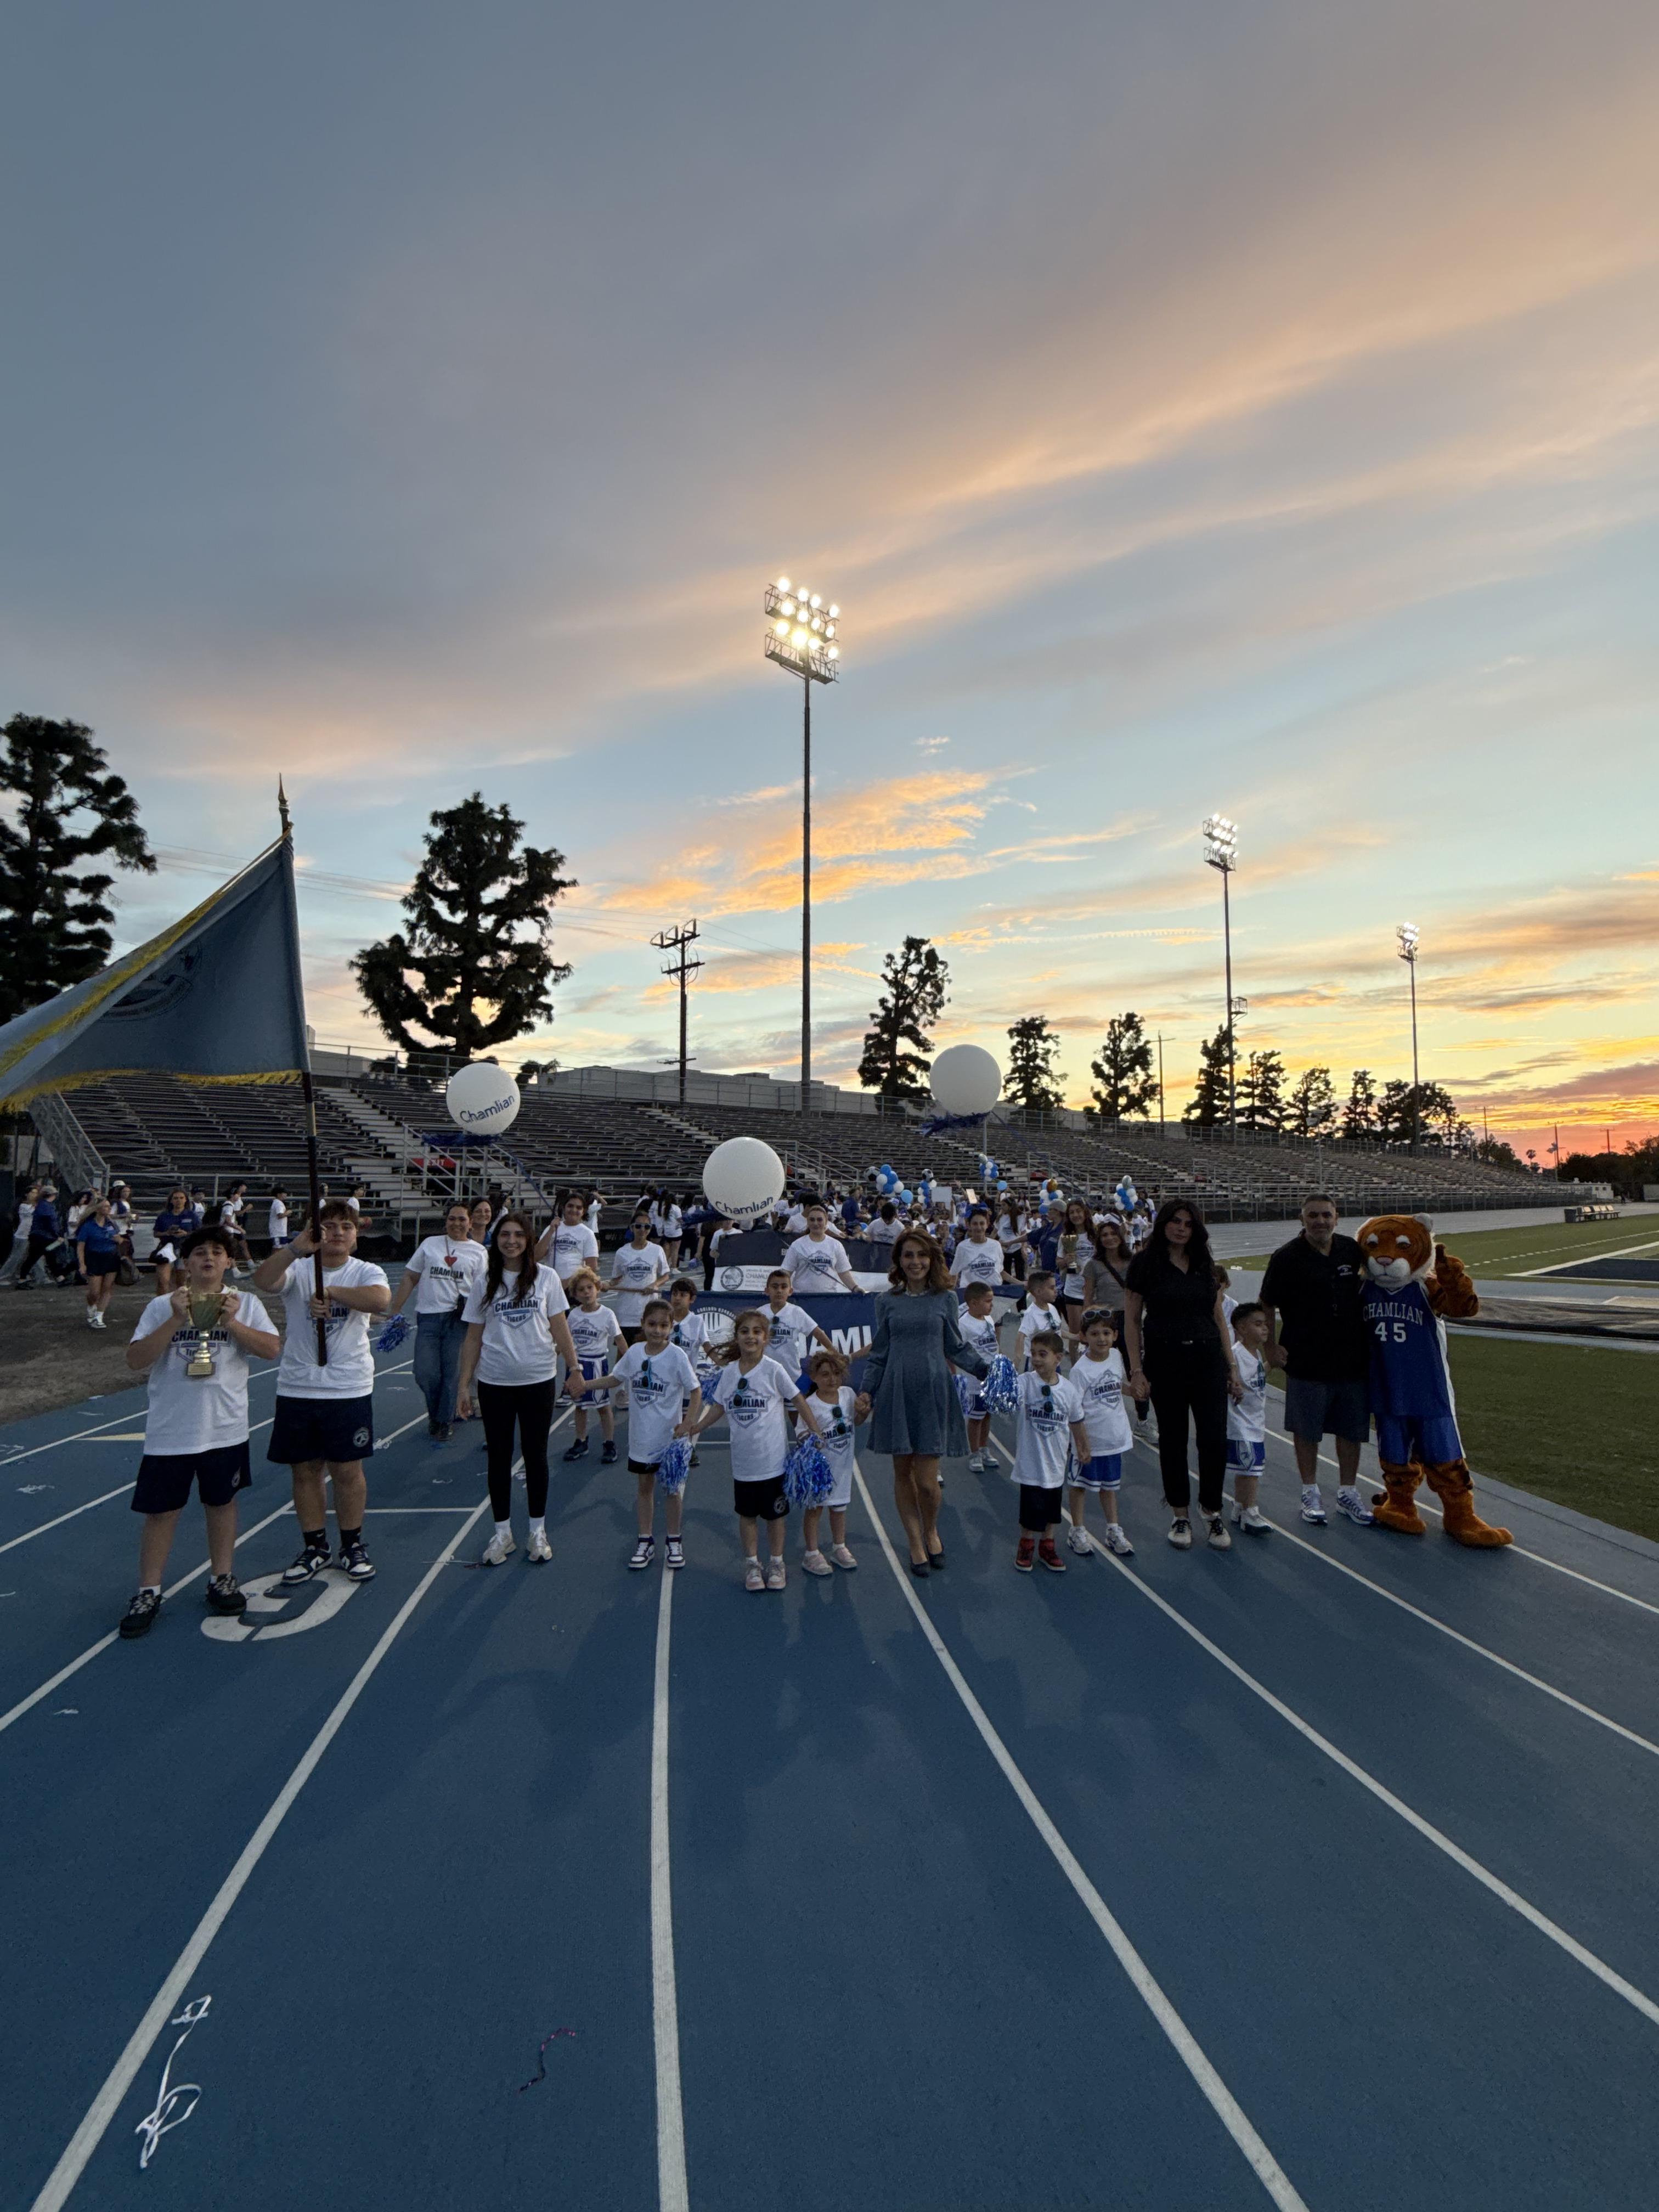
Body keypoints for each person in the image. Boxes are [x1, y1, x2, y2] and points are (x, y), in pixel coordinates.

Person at [117, 1224, 280, 1638]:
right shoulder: (162, 1306)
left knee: (222, 1504)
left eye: (217, 1252)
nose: (209, 1258)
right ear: (186, 1264)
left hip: (224, 1428)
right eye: (200, 1252)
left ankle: (221, 1577)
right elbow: (136, 1359)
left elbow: (270, 1349)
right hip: (172, 1430)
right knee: (161, 1513)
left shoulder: (245, 1303)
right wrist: (176, 1320)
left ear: (229, 1262)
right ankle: (149, 1590)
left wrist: (232, 1324)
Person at [253, 1199, 392, 1585]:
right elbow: (263, 1281)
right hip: (299, 1385)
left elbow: (380, 1300)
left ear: (356, 1235)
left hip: (347, 1386)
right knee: (305, 1470)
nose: (337, 1233)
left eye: (345, 1227)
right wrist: (296, 1248)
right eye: (328, 1226)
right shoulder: (299, 1269)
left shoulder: (365, 1270)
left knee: (347, 1469)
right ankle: (315, 1546)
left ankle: (352, 1544)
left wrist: (331, 1293)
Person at [854, 1229, 991, 1577]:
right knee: (903, 1473)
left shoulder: (946, 1299)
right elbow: (880, 1353)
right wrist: (867, 1391)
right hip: (896, 1392)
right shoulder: (886, 1301)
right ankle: (916, 1543)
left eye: (921, 1255)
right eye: (908, 1255)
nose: (915, 1262)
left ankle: (931, 1530)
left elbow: (955, 1347)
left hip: (933, 1392)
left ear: (932, 1259)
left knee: (928, 1484)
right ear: (899, 1261)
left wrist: (988, 1371)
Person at [456, 1212, 585, 1566]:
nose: (511, 1241)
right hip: (495, 1382)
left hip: (538, 1380)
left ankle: (537, 1531)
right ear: (496, 1240)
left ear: (529, 1240)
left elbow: (560, 1327)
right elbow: (473, 1337)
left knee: (536, 1455)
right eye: (504, 1235)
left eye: (518, 1235)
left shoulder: (546, 1278)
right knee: (498, 1458)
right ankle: (502, 1534)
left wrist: (574, 1368)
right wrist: (464, 1386)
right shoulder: (485, 1281)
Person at [1124, 1200, 1243, 1553]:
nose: (1181, 1228)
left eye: (1189, 1224)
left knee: (1214, 1439)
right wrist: (1136, 1370)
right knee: (1173, 1440)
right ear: (1163, 1224)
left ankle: (1212, 1510)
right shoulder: (1145, 1264)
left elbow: (1218, 1318)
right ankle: (1180, 1514)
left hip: (1207, 1360)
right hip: (1166, 1361)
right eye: (1175, 1221)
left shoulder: (1204, 1262)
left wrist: (1232, 1367)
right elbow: (1131, 1321)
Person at [1258, 1194, 1376, 1527]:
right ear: (1302, 1219)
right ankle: (1309, 1491)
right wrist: (1270, 1347)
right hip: (1305, 1358)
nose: (1320, 1221)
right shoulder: (1286, 1257)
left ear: (1337, 1218)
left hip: (1352, 1357)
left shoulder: (1351, 1250)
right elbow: (1266, 1303)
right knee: (1306, 1429)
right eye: (1313, 1216)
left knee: (1351, 1430)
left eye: (1326, 1215)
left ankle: (1347, 1492)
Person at [694, 1310, 821, 1590]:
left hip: (773, 1462)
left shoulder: (774, 1370)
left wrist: (814, 1429)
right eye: (745, 1332)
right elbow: (719, 1407)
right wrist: (697, 1427)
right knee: (747, 1516)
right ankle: (752, 1564)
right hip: (744, 1463)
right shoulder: (729, 1373)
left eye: (757, 1332)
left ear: (766, 1338)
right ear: (737, 1337)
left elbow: (798, 1400)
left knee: (775, 1517)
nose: (750, 1337)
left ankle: (777, 1562)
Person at [578, 1297, 701, 1570]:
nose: (657, 1330)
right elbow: (615, 1379)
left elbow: (695, 1391)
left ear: (671, 1327)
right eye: (652, 1324)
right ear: (643, 1324)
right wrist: (585, 1385)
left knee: (672, 1491)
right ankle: (645, 1540)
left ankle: (674, 1540)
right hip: (641, 1439)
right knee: (644, 1489)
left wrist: (688, 1422)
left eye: (664, 1326)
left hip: (668, 1441)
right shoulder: (634, 1353)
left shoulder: (676, 1356)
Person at [384, 1201, 487, 1438]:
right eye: (452, 1219)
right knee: (425, 1373)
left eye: (462, 1219)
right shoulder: (430, 1244)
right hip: (429, 1317)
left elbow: (481, 1289)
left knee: (452, 1373)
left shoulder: (479, 1252)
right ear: (446, 1221)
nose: (457, 1223)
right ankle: (437, 1413)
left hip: (459, 1320)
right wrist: (395, 1309)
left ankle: (443, 1421)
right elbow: (410, 1277)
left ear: (470, 1223)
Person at [1009, 1331, 1090, 1573]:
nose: (1036, 1359)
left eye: (1042, 1354)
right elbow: (1009, 1399)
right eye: (1033, 1354)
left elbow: (1076, 1421)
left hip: (1055, 1463)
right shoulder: (1025, 1382)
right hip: (1031, 1462)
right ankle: (1026, 1546)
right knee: (1030, 1510)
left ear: (1058, 1358)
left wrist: (1083, 1446)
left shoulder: (1068, 1390)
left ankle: (1047, 1546)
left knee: (1052, 1511)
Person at [1064, 1308, 1136, 1556]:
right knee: (1079, 1486)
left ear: (1115, 1335)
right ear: (1084, 1337)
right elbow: (1074, 1409)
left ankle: (1113, 1530)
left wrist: (1131, 1391)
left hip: (1113, 1438)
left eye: (1106, 1333)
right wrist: (1080, 1443)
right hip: (1089, 1441)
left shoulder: (1116, 1356)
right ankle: (1077, 1530)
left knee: (1110, 1487)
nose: (1102, 1339)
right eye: (1094, 1334)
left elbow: (1115, 1384)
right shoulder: (1080, 1371)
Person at [798, 1345, 862, 1573]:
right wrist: (813, 1442)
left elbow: (857, 1422)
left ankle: (839, 1547)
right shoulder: (810, 1405)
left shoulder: (848, 1395)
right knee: (815, 1510)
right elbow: (801, 1434)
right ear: (814, 1377)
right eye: (825, 1374)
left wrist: (863, 1412)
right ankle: (811, 1553)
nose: (832, 1379)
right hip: (821, 1470)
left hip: (842, 1467)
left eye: (836, 1373)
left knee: (839, 1507)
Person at [563, 1266, 623, 1464]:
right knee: (580, 1406)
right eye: (581, 1290)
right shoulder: (574, 1315)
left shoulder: (607, 1314)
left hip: (597, 1363)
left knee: (603, 1406)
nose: (586, 1292)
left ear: (597, 1288)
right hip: (578, 1365)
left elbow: (619, 1340)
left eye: (590, 1287)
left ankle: (609, 1443)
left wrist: (632, 1360)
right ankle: (581, 1441)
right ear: (575, 1294)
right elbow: (566, 1341)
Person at [1226, 1301, 1272, 1535]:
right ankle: (1250, 1511)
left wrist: (1272, 1365)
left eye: (1265, 1324)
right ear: (1242, 1329)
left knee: (1247, 1469)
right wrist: (1231, 1386)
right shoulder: (1236, 1355)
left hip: (1255, 1421)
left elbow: (1256, 1379)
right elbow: (1228, 1380)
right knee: (1251, 1470)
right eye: (1258, 1324)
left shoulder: (1256, 1354)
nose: (1265, 1329)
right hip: (1241, 1422)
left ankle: (1239, 1506)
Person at [955, 1278, 1001, 1474]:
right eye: (988, 1301)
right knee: (976, 1417)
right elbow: (958, 1352)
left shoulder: (989, 1320)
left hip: (992, 1376)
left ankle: (984, 1448)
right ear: (973, 1303)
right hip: (974, 1380)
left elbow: (993, 1345)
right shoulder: (964, 1324)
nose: (992, 1305)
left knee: (988, 1414)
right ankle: (974, 1453)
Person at [667, 1277, 712, 1465]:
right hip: (666, 1380)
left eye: (683, 1295)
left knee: (687, 1416)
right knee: (669, 1416)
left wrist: (723, 1361)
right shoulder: (665, 1320)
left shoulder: (697, 1322)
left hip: (686, 1380)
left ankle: (687, 1447)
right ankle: (668, 1446)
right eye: (675, 1294)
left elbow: (707, 1346)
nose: (677, 1298)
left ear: (692, 1299)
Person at [608, 1214, 671, 1345]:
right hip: (627, 1311)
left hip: (649, 1310)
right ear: (632, 1228)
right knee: (624, 1351)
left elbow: (666, 1275)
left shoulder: (657, 1250)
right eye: (638, 1226)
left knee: (651, 1348)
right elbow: (616, 1279)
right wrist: (606, 1285)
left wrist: (654, 1285)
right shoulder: (622, 1252)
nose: (642, 1230)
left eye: (646, 1227)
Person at [762, 1268, 832, 1378]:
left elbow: (818, 1333)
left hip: (792, 1375)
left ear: (790, 1291)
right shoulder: (759, 1314)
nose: (779, 1291)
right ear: (767, 1291)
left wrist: (834, 1352)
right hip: (766, 1375)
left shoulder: (797, 1312)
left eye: (784, 1287)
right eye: (775, 1287)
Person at [782, 1202, 860, 1295]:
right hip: (802, 1298)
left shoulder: (836, 1245)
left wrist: (855, 1288)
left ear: (826, 1222)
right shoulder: (797, 1245)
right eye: (812, 1220)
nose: (816, 1223)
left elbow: (844, 1273)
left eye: (820, 1220)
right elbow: (786, 1272)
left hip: (828, 1298)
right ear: (807, 1222)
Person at [76, 1195, 122, 1329]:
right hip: (94, 1258)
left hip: (111, 1257)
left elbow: (120, 1239)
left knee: (107, 1288)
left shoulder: (111, 1224)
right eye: (105, 1206)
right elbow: (81, 1246)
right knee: (94, 1292)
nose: (109, 1209)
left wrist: (118, 1240)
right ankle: (91, 1306)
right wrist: (82, 1264)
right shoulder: (88, 1226)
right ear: (97, 1209)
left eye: (109, 1206)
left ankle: (99, 1316)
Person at [537, 1190, 601, 1285]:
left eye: (579, 1208)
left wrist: (567, 1283)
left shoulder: (588, 1234)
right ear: (564, 1208)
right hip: (551, 1284)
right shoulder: (552, 1228)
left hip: (574, 1287)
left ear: (583, 1212)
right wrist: (550, 1232)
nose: (574, 1210)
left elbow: (592, 1267)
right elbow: (536, 1257)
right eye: (570, 1206)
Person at [1056, 1198, 1096, 1346]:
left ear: (1085, 1212)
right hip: (1073, 1290)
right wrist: (1066, 1261)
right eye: (1072, 1212)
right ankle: (1074, 1361)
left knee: (1095, 1331)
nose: (1075, 1215)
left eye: (1078, 1211)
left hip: (1095, 1290)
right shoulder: (1065, 1237)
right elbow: (1058, 1263)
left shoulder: (1096, 1234)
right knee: (1076, 1333)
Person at [147, 1188, 196, 1296]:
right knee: (163, 1281)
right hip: (167, 1248)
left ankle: (180, 1303)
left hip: (184, 1249)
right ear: (171, 1201)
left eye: (181, 1198)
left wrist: (186, 1234)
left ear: (186, 1200)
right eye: (176, 1198)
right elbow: (156, 1233)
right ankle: (162, 1303)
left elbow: (198, 1232)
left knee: (182, 1282)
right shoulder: (164, 1216)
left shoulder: (191, 1215)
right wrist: (167, 1233)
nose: (179, 1201)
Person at [950, 1207, 1006, 1298]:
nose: (979, 1227)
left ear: (987, 1225)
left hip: (994, 1295)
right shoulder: (963, 1247)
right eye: (975, 1224)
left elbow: (1000, 1271)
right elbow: (954, 1273)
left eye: (982, 1223)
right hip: (972, 1297)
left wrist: (1019, 1283)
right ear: (969, 1225)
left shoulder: (996, 1245)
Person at [1016, 1270, 1065, 1369]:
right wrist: (1018, 1359)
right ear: (1038, 1292)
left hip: (1053, 1360)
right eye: (1052, 1288)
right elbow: (1021, 1336)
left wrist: (1076, 1337)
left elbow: (1057, 1331)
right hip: (1038, 1363)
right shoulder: (1031, 1314)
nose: (1056, 1290)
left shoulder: (1052, 1308)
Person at [996, 1195, 1028, 1283]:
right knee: (1006, 1273)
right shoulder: (1001, 1217)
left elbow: (1023, 1233)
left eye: (1004, 1205)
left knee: (1020, 1273)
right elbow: (995, 1232)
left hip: (1017, 1247)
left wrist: (1024, 1247)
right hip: (1004, 1248)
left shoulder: (1021, 1216)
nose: (1002, 1207)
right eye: (1001, 1205)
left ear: (1010, 1206)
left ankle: (1021, 1290)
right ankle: (1007, 1291)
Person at [267, 1186, 290, 1251]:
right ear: (279, 1194)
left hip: (281, 1231)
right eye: (284, 1193)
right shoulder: (278, 1203)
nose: (286, 1195)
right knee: (277, 1249)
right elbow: (280, 1215)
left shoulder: (279, 1203)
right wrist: (288, 1212)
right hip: (277, 1232)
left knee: (282, 1249)